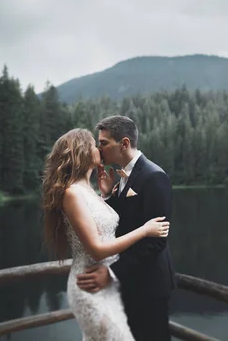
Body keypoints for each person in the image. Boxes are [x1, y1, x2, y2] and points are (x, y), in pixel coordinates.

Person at [41, 128, 170, 340]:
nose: (98, 149)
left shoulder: (88, 189)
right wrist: (145, 230)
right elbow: (97, 249)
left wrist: (107, 194)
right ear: (82, 152)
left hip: (108, 286)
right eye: (94, 145)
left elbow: (105, 227)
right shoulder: (72, 193)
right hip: (90, 285)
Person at [76, 115, 176, 340]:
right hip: (131, 282)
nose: (99, 150)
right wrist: (107, 195)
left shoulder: (154, 177)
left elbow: (156, 241)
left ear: (124, 144)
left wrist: (111, 274)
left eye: (103, 143)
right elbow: (123, 222)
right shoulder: (121, 175)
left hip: (149, 285)